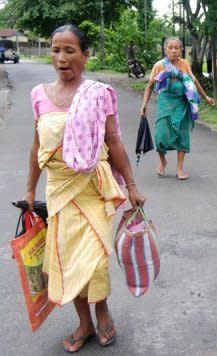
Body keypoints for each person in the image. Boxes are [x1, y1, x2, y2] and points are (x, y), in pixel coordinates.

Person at [24, 24, 146, 352]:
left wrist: (132, 185)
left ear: (85, 55)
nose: (61, 58)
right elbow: (37, 146)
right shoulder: (38, 95)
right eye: (55, 50)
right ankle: (84, 323)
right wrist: (30, 190)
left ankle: (102, 311)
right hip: (60, 191)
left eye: (69, 51)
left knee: (95, 259)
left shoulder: (98, 93)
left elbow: (115, 141)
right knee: (68, 259)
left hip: (93, 188)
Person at [139, 37, 215, 180]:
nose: (173, 50)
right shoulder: (159, 66)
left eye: (176, 48)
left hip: (182, 104)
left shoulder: (184, 64)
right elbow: (149, 86)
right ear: (165, 49)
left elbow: (194, 81)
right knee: (160, 136)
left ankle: (179, 169)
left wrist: (205, 97)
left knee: (182, 136)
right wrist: (144, 105)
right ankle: (163, 161)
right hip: (165, 103)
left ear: (181, 50)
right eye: (170, 47)